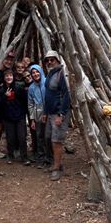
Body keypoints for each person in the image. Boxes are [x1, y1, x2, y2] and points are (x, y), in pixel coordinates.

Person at [43, 50, 71, 181]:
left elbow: (66, 96)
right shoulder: (50, 73)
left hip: (58, 114)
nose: (49, 62)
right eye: (47, 60)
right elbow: (48, 94)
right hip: (50, 113)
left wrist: (61, 114)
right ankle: (57, 163)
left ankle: (57, 168)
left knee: (57, 141)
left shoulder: (61, 74)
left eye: (52, 60)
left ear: (58, 60)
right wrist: (45, 112)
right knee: (49, 137)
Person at [0, 69, 30, 165]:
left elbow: (25, 102)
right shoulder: (1, 90)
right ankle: (10, 155)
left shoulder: (19, 88)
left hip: (20, 117)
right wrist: (5, 97)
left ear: (13, 77)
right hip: (8, 118)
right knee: (10, 138)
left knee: (22, 137)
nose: (9, 77)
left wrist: (26, 115)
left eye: (10, 75)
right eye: (7, 76)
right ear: (4, 78)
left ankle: (24, 157)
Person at [28, 64, 52, 168]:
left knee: (48, 136)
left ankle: (50, 158)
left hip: (49, 113)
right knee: (39, 136)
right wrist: (32, 120)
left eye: (37, 72)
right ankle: (41, 158)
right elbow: (30, 104)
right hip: (38, 115)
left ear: (40, 72)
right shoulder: (31, 88)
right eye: (33, 73)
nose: (35, 74)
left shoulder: (47, 83)